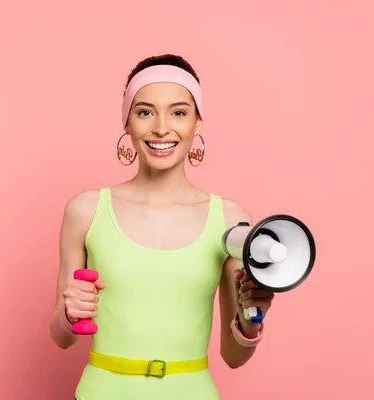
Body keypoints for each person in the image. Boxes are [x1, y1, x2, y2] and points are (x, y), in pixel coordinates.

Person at [48, 54, 275, 399]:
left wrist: (251, 319)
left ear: (197, 123)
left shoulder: (229, 219)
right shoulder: (86, 209)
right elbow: (61, 336)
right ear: (127, 122)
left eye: (179, 112)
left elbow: (233, 356)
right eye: (145, 111)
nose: (161, 128)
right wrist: (69, 312)